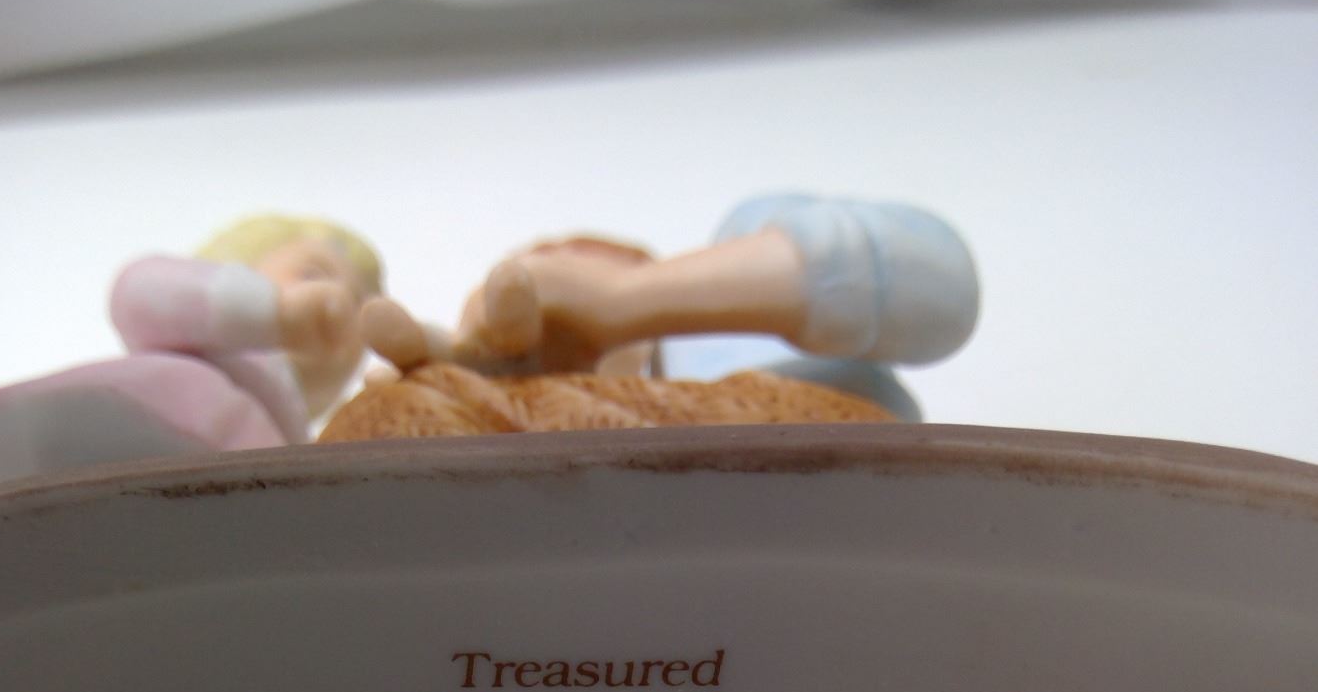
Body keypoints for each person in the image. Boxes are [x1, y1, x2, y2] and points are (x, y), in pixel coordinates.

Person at [361, 194, 978, 417]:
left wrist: (623, 303)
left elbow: (936, 287)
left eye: (567, 258)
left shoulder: (757, 317)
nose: (544, 284)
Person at [0, 215, 382, 491]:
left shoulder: (291, 438)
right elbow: (138, 291)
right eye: (311, 273)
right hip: (60, 433)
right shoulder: (199, 346)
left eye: (362, 305)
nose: (341, 305)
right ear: (234, 267)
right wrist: (273, 311)